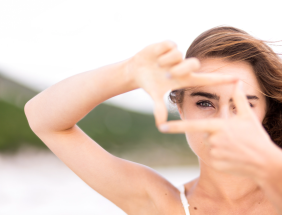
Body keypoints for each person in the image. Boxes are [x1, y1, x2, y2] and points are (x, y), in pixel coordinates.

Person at [24, 26, 282, 214]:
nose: (222, 122)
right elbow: (42, 118)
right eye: (205, 103)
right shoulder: (162, 204)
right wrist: (129, 72)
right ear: (180, 107)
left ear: (265, 113)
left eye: (242, 105)